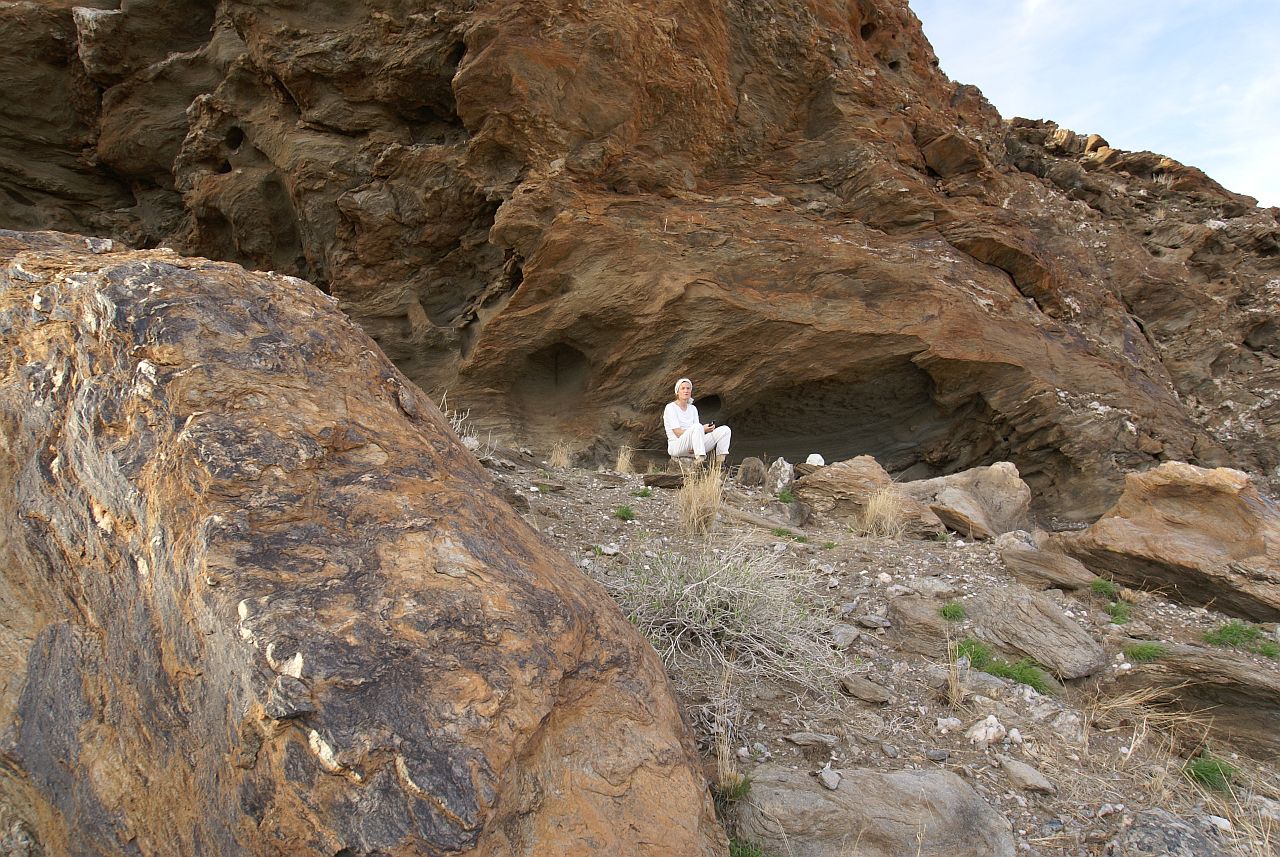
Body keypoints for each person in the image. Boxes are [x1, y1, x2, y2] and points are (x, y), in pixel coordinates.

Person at [663, 377, 731, 463]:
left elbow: (698, 432)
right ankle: (700, 460)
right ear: (677, 392)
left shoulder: (693, 408)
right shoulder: (670, 408)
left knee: (725, 430)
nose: (686, 391)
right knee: (698, 427)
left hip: (694, 447)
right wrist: (702, 429)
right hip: (677, 446)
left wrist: (700, 436)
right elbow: (678, 432)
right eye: (683, 388)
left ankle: (720, 463)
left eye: (688, 388)